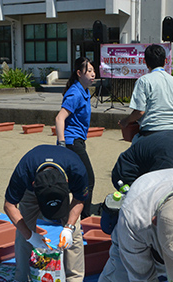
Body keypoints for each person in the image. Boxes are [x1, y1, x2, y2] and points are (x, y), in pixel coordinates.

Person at [3, 145, 89, 282]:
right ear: (34, 183)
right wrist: (30, 236)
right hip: (30, 193)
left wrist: (68, 228)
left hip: (61, 191)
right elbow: (9, 205)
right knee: (23, 231)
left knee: (75, 232)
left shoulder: (76, 169)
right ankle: (21, 279)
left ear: (67, 181)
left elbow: (79, 199)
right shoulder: (24, 172)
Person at [118, 44, 173, 139]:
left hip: (151, 132)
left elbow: (139, 112)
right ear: (165, 61)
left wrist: (126, 120)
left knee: (128, 154)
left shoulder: (143, 81)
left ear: (146, 63)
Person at [55, 57, 97, 219]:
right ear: (79, 73)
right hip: (71, 143)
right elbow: (60, 118)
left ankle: (67, 213)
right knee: (88, 179)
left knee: (73, 182)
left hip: (78, 141)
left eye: (93, 71)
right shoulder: (75, 92)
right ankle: (85, 217)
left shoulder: (84, 91)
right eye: (89, 71)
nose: (93, 74)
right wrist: (62, 145)